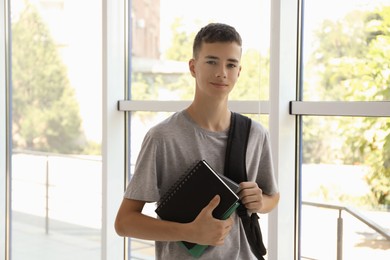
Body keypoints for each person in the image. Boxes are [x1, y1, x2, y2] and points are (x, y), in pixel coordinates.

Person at [115, 22, 280, 259]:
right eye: (212, 61)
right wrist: (189, 232)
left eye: (231, 64)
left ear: (239, 71)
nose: (222, 72)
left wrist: (259, 203)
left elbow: (272, 197)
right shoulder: (162, 138)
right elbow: (124, 222)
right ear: (193, 67)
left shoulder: (256, 134)